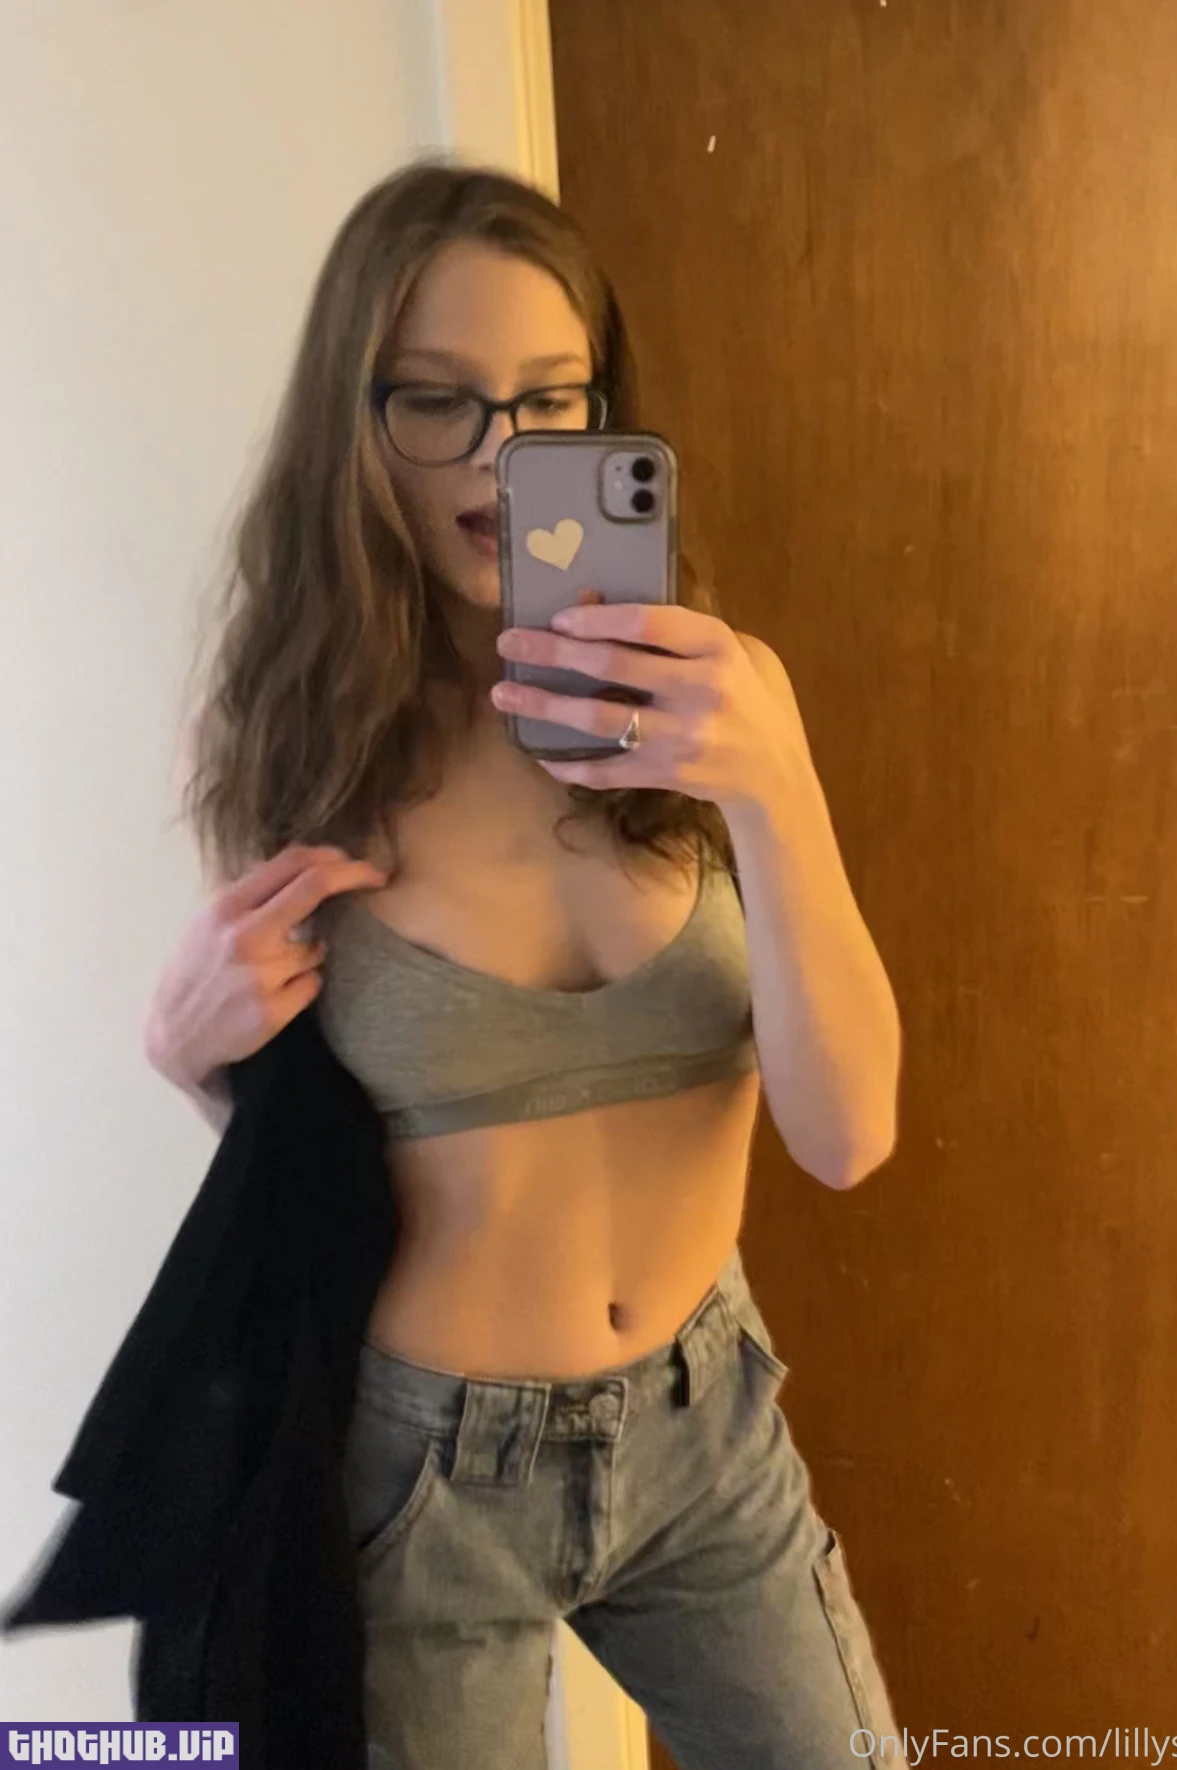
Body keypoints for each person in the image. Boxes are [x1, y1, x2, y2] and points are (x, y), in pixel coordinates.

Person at [144, 158, 904, 1770]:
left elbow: (849, 1135)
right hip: (428, 1473)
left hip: (706, 1432)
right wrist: (189, 1057)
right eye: (441, 400)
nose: (503, 454)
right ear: (354, 420)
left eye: (554, 399)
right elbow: (317, 1166)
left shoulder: (713, 706)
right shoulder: (289, 743)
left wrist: (776, 788)